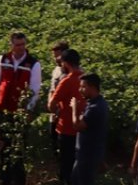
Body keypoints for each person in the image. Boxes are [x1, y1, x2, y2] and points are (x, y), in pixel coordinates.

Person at [0, 32, 42, 185]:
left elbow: (35, 89)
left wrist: (29, 110)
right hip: (2, 109)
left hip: (19, 112)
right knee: (3, 146)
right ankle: (4, 178)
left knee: (18, 147)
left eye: (23, 44)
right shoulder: (4, 59)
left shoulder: (33, 63)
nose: (21, 48)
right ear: (11, 45)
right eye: (17, 45)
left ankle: (18, 180)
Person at [47, 49, 82, 185]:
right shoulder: (86, 79)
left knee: (66, 165)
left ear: (66, 63)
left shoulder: (67, 81)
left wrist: (56, 108)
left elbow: (51, 105)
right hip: (82, 128)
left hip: (66, 128)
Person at [70, 73, 108, 185]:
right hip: (86, 154)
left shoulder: (95, 107)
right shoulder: (96, 103)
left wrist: (74, 108)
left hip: (88, 156)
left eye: (83, 87)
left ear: (93, 87)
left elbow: (77, 125)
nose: (80, 89)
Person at [47, 41, 71, 159]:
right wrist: (51, 107)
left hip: (66, 116)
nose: (56, 59)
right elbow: (52, 90)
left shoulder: (73, 72)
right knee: (54, 142)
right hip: (55, 114)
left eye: (58, 56)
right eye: (54, 56)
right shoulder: (56, 70)